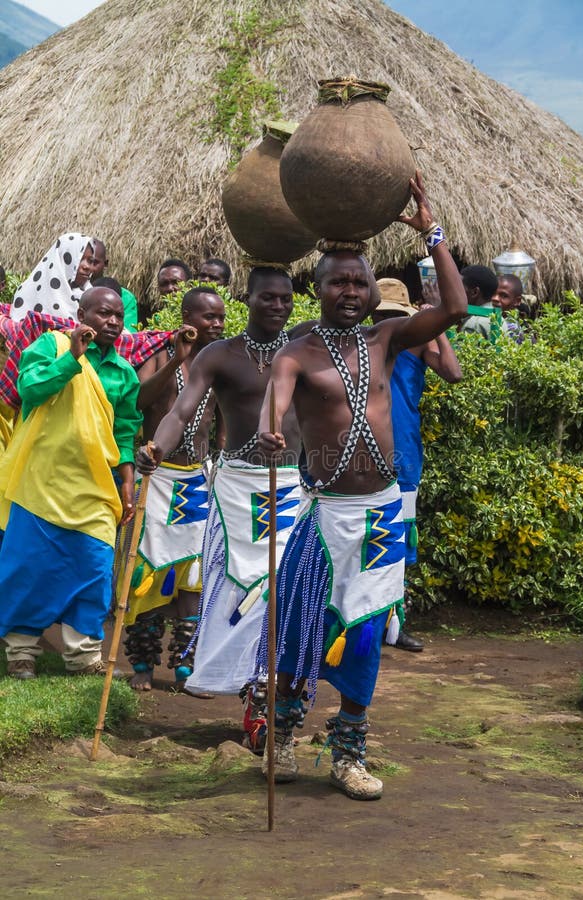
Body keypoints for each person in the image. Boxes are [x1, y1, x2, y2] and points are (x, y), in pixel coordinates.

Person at [256, 172, 467, 799]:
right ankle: (285, 731)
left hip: (379, 516)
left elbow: (454, 310)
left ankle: (349, 750)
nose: (350, 291)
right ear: (315, 289)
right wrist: (272, 433)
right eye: (337, 281)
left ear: (374, 290)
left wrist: (433, 233)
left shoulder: (386, 339)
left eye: (359, 281)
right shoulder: (298, 352)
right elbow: (278, 399)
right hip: (324, 514)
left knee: (369, 631)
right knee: (304, 628)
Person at [136, 267, 305, 750]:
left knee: (281, 593)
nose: (277, 306)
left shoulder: (303, 349)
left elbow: (370, 301)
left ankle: (270, 704)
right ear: (246, 299)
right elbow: (181, 411)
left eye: (286, 298)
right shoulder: (220, 354)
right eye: (267, 298)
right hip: (234, 488)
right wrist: (157, 449)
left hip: (292, 484)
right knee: (240, 594)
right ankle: (253, 696)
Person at [0, 287, 141, 678]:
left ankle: (83, 656)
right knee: (28, 568)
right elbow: (29, 388)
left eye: (118, 316)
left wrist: (127, 484)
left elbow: (125, 432)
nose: (112, 322)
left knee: (94, 569)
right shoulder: (51, 345)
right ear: (82, 314)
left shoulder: (124, 372)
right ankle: (21, 652)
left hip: (95, 487)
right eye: (103, 314)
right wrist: (73, 358)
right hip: (39, 481)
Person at [122, 287, 225, 691]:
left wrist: (220, 460)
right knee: (146, 569)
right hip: (157, 478)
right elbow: (139, 400)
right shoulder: (160, 354)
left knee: (193, 575)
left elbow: (222, 420)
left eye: (220, 318)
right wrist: (176, 362)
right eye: (207, 317)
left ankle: (185, 662)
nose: (216, 324)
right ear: (186, 317)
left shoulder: (218, 364)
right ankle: (143, 664)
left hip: (197, 480)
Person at [372, 278, 462, 652]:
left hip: (404, 451)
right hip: (363, 450)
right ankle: (362, 624)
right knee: (365, 536)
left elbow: (453, 373)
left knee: (398, 541)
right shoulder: (364, 343)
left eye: (396, 316)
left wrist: (435, 328)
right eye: (383, 316)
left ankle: (395, 625)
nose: (390, 324)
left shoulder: (418, 342)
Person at [10, 233, 94, 322]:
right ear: (62, 257)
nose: (87, 266)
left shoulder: (91, 296)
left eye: (90, 261)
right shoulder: (27, 293)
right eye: (79, 259)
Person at [90, 239, 139, 331]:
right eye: (82, 261)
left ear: (105, 264)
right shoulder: (68, 293)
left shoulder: (125, 297)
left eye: (94, 262)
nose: (88, 267)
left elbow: (128, 335)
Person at [458, 265, 503, 341]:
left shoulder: (473, 324)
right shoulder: (500, 319)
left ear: (474, 292)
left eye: (459, 287)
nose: (455, 291)